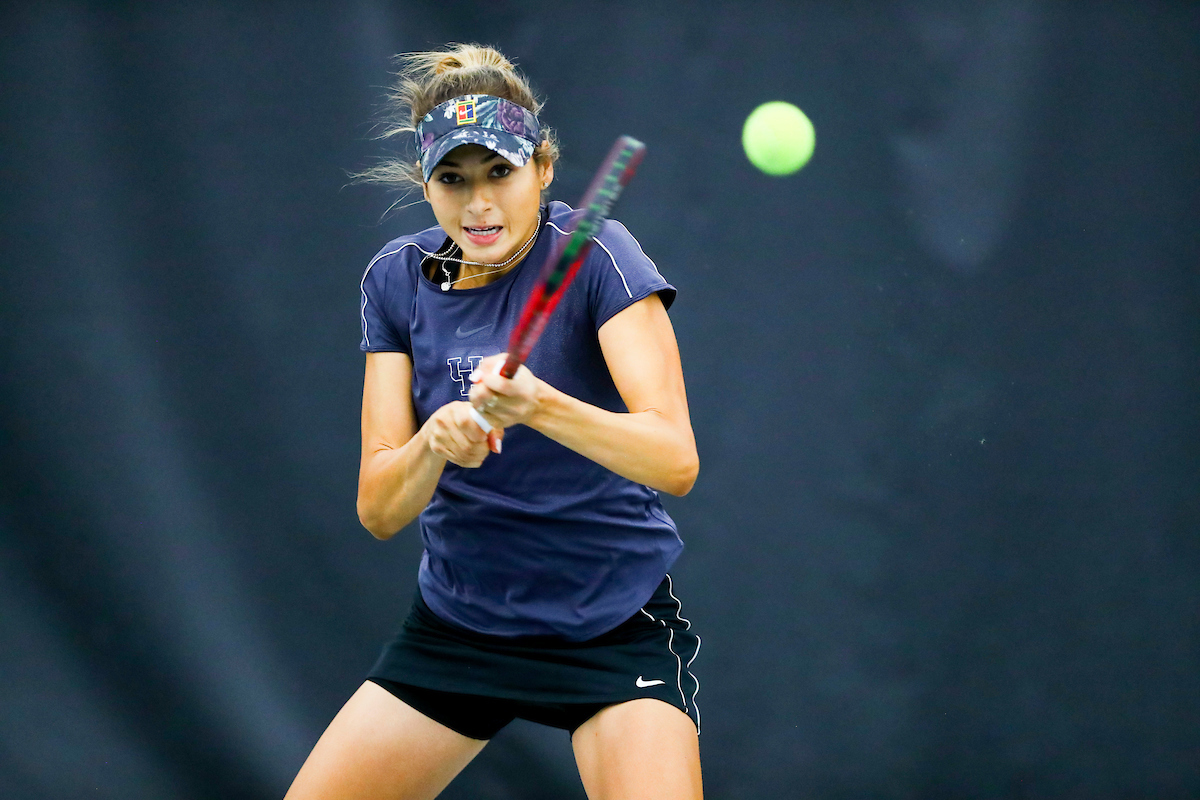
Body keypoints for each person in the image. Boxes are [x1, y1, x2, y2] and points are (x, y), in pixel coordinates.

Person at [285, 43, 702, 800]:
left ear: (542, 168)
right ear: (426, 184)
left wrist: (543, 406)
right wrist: (433, 442)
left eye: (500, 173)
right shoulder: (395, 280)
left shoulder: (601, 257)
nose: (479, 205)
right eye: (453, 179)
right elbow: (379, 508)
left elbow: (674, 459)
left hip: (608, 622)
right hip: (461, 626)